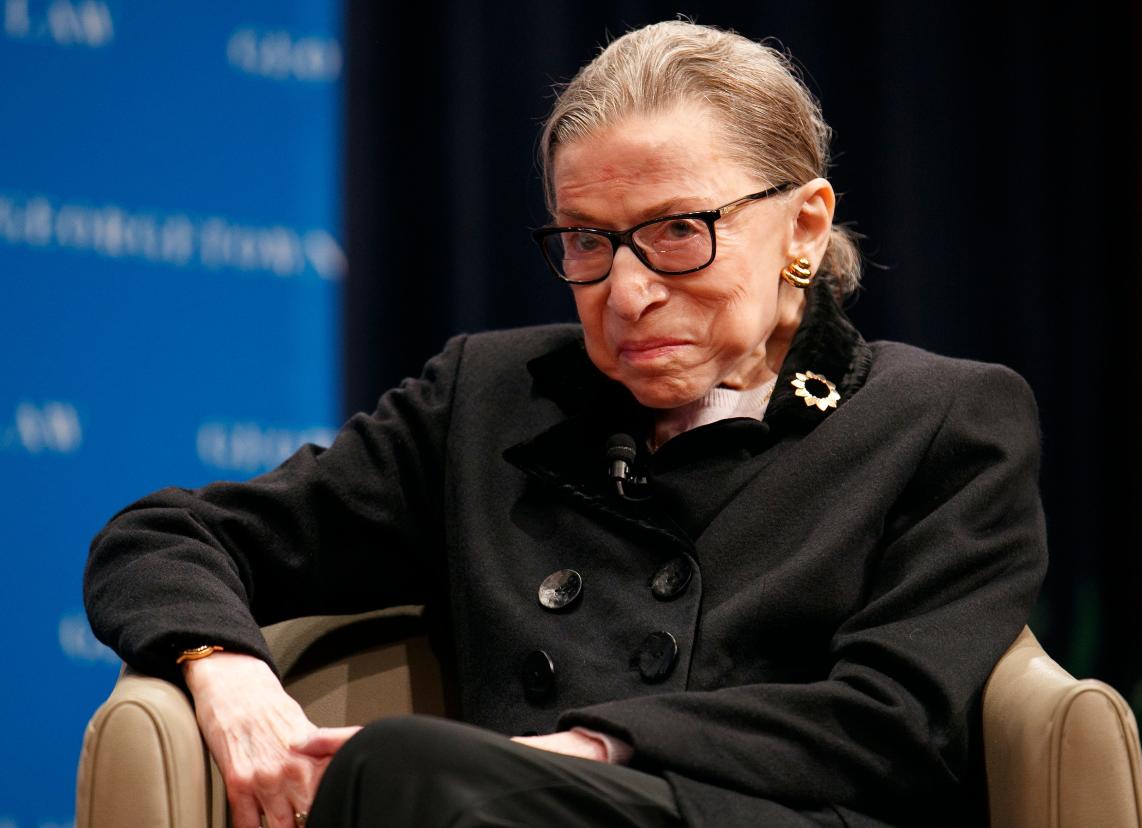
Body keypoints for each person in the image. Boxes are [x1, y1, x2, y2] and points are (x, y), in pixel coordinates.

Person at [84, 20, 1046, 828]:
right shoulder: (490, 400)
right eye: (588, 240)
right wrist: (228, 669)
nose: (627, 293)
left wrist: (592, 748)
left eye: (678, 231)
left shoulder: (940, 417)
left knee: (409, 774)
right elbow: (166, 536)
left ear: (802, 225)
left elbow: (896, 721)